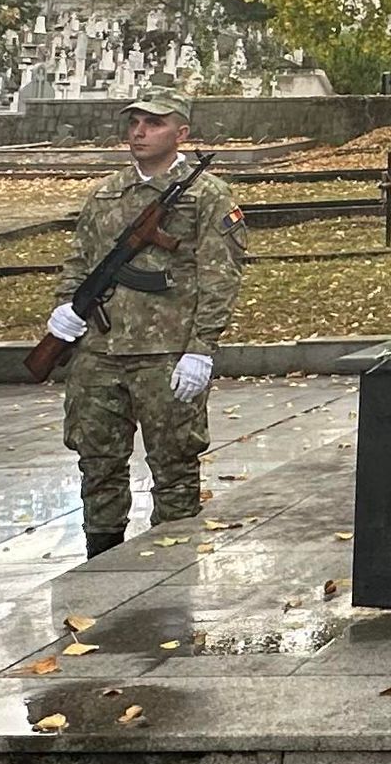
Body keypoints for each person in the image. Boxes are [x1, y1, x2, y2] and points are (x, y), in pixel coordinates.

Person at [47, 87, 244, 557]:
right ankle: (100, 560)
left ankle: (170, 568)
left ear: (182, 133)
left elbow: (221, 275)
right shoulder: (107, 193)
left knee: (174, 464)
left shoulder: (206, 196)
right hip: (100, 352)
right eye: (134, 121)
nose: (139, 131)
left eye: (153, 123)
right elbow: (81, 260)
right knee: (98, 462)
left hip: (167, 353)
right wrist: (65, 307)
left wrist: (201, 347)